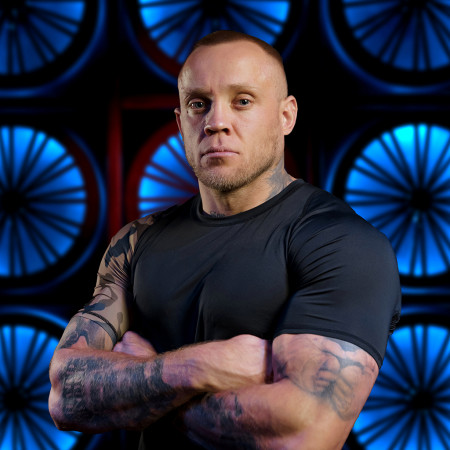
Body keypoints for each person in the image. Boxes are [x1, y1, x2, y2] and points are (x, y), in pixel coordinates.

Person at [49, 30, 401, 449]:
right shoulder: (135, 242)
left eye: (243, 101)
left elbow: (303, 434)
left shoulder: (342, 243)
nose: (216, 122)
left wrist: (143, 384)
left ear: (286, 116)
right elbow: (66, 396)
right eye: (198, 104)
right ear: (180, 123)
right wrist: (200, 366)